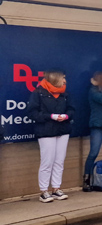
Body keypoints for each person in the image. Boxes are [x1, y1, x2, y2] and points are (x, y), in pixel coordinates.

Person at [27, 69, 74, 203]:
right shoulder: (38, 93)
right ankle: (44, 191)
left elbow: (72, 109)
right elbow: (32, 113)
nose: (65, 81)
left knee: (59, 161)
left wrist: (66, 116)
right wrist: (51, 116)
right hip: (46, 131)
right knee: (47, 162)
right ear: (55, 78)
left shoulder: (65, 93)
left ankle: (56, 189)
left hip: (62, 130)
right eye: (63, 78)